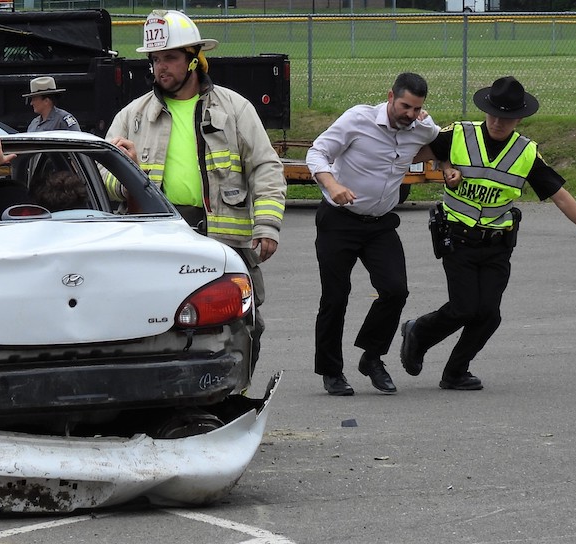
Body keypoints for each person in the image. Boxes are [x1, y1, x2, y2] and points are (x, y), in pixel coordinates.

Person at [399, 76, 576, 391]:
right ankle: (418, 333)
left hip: (497, 244)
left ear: (520, 118)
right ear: (485, 110)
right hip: (456, 236)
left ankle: (455, 372)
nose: (498, 122)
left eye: (507, 117)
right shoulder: (458, 134)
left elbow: (560, 195)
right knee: (464, 307)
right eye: (494, 114)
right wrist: (443, 166)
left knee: (489, 315)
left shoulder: (526, 152)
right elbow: (410, 154)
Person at [104, 10, 286, 369]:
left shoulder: (235, 110)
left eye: (170, 58)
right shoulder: (132, 116)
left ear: (194, 60)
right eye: (155, 59)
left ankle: (233, 396)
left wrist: (267, 226)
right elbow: (102, 177)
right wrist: (128, 175)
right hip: (159, 237)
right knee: (160, 325)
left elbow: (265, 166)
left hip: (223, 240)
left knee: (243, 325)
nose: (161, 67)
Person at [306, 72, 443, 396]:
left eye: (416, 109)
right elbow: (317, 153)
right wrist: (333, 184)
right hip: (339, 220)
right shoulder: (358, 119)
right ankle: (331, 371)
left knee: (396, 290)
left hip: (380, 223)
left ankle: (372, 357)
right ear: (391, 96)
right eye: (405, 106)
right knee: (335, 298)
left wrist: (447, 164)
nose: (409, 115)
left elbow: (441, 144)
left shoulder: (422, 126)